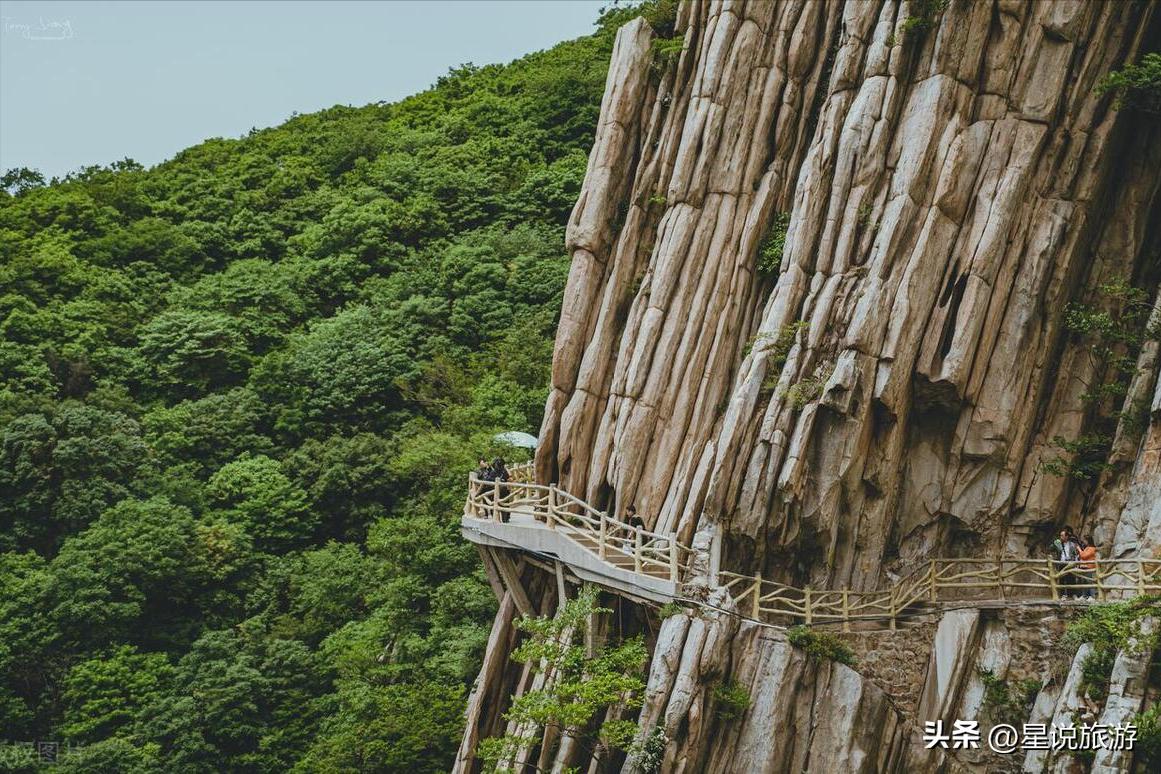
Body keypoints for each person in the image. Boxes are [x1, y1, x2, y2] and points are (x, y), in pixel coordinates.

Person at [1052, 528, 1080, 598]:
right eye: (1060, 535)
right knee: (1062, 579)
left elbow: (1075, 554)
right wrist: (1054, 544)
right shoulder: (1058, 544)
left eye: (1062, 535)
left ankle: (1072, 594)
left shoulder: (1072, 544)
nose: (1061, 537)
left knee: (1071, 579)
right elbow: (1050, 549)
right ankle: (1063, 595)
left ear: (1067, 536)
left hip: (1070, 563)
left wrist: (1075, 563)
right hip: (1062, 563)